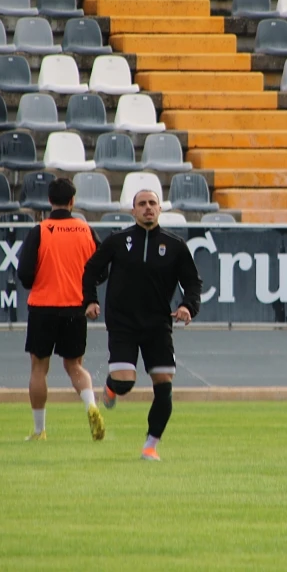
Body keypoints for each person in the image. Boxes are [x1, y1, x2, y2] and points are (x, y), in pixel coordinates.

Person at [81, 189, 202, 461]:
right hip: (122, 322)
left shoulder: (175, 245)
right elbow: (90, 270)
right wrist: (89, 300)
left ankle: (150, 446)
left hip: (158, 324)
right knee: (125, 384)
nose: (148, 208)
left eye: (152, 203)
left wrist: (186, 306)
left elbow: (193, 283)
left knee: (164, 383)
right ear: (132, 211)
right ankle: (113, 387)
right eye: (142, 204)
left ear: (160, 209)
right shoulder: (116, 240)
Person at [16, 177, 104, 442]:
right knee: (75, 365)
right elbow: (101, 268)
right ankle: (91, 405)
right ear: (73, 201)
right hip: (75, 308)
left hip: (43, 307)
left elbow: (25, 274)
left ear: (50, 201)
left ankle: (40, 429)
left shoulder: (41, 230)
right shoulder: (85, 230)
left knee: (38, 368)